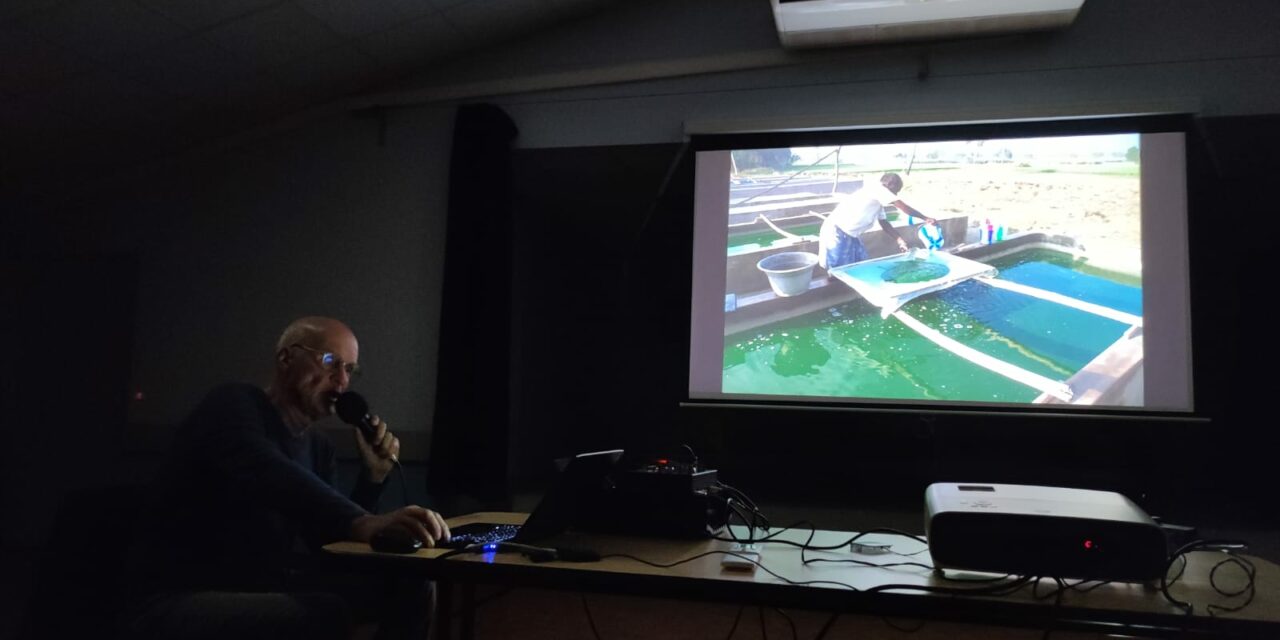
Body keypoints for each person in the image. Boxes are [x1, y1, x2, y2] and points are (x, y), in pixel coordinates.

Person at [121, 316, 449, 640]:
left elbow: (328, 544)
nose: (341, 381)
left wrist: (372, 479)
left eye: (349, 369)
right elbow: (268, 469)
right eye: (330, 361)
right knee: (326, 613)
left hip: (264, 588)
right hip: (178, 599)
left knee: (411, 583)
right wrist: (362, 521)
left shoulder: (319, 449)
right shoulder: (233, 405)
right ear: (286, 358)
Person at [818, 172, 936, 270]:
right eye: (896, 190)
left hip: (851, 234)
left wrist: (900, 240)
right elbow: (902, 206)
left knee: (859, 264)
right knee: (837, 269)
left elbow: (884, 223)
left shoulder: (878, 200)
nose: (896, 194)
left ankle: (852, 290)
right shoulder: (878, 189)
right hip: (837, 231)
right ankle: (837, 292)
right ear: (890, 184)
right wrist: (925, 218)